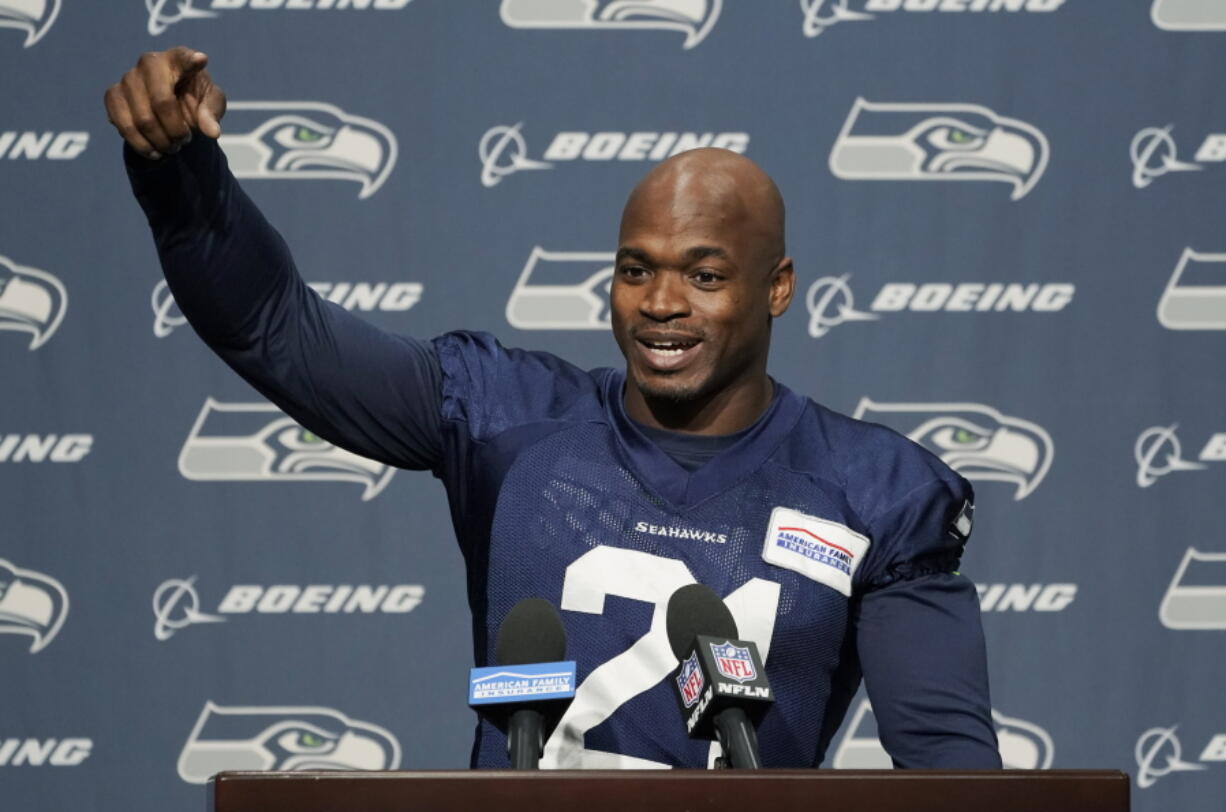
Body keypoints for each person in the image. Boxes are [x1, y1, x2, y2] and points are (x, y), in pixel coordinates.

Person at [106, 47, 1002, 770]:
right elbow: (273, 326)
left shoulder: (873, 491)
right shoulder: (503, 416)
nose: (661, 303)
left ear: (777, 288)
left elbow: (954, 777)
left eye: (704, 274)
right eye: (635, 268)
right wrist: (178, 168)